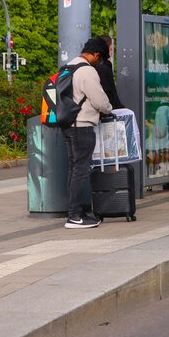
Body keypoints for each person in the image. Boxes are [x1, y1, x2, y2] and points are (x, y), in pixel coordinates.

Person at [64, 37, 114, 229]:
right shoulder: (87, 71)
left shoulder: (68, 67)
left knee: (74, 168)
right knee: (81, 170)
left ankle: (74, 211)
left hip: (68, 124)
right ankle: (75, 215)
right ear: (95, 54)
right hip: (82, 125)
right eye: (98, 59)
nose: (97, 62)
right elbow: (100, 101)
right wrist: (109, 109)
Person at [96, 34, 123, 110]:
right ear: (109, 47)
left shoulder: (95, 64)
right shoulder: (105, 66)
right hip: (107, 108)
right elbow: (110, 91)